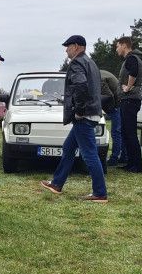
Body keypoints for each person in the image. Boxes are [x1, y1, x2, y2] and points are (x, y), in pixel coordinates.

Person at [40, 35, 108, 203]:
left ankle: (100, 193)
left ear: (77, 46)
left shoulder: (77, 63)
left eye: (68, 46)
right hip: (91, 112)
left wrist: (79, 110)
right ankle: (57, 183)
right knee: (68, 148)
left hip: (84, 115)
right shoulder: (91, 63)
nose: (66, 50)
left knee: (90, 154)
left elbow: (81, 86)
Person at [114, 36, 142, 172]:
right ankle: (131, 163)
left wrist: (127, 87)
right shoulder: (131, 58)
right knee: (127, 132)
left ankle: (137, 165)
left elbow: (134, 72)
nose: (116, 49)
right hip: (128, 100)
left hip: (130, 100)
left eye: (117, 46)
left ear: (124, 45)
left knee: (130, 133)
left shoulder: (132, 58)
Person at [100, 69, 125, 166]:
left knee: (116, 132)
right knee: (120, 131)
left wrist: (95, 104)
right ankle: (123, 156)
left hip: (116, 105)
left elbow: (108, 95)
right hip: (118, 103)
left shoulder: (99, 78)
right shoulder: (100, 74)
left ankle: (114, 158)